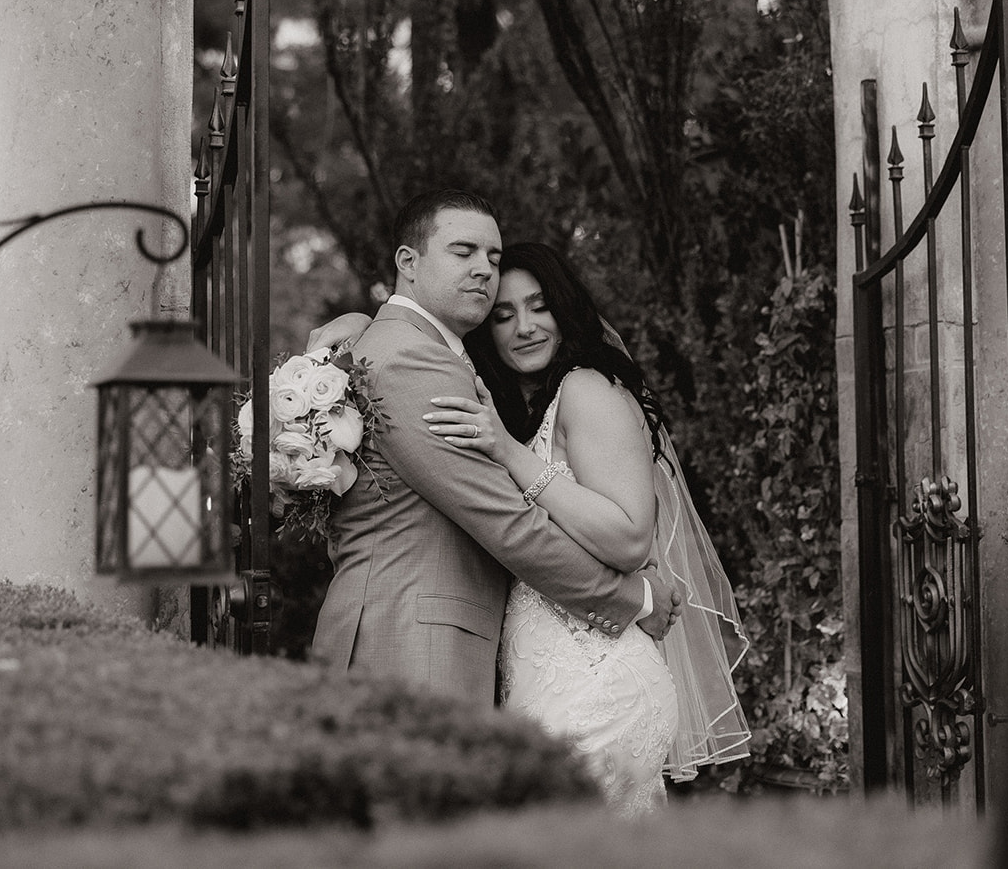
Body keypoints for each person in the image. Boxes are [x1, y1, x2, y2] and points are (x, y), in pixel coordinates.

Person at [315, 238, 751, 815]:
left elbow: (629, 538)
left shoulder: (587, 390)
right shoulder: (511, 407)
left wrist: (512, 455)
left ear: (566, 309)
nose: (524, 327)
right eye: (504, 314)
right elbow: (423, 347)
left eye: (540, 306)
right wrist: (369, 322)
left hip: (593, 677)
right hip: (533, 673)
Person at [309, 190, 681, 710]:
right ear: (408, 263)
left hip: (449, 650)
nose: (484, 268)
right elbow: (504, 520)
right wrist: (634, 598)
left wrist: (366, 323)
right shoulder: (408, 357)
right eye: (464, 252)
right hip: (411, 649)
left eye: (493, 257)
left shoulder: (420, 353)